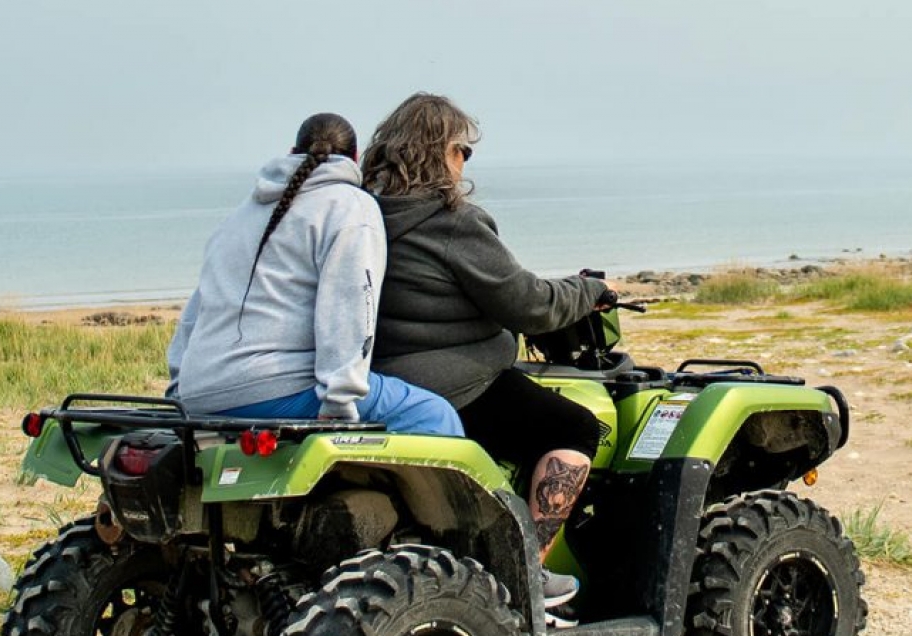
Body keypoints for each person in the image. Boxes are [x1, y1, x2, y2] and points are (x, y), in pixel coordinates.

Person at [364, 93, 613, 577]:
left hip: (382, 383)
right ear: (440, 151)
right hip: (458, 387)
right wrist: (589, 290)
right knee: (575, 427)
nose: (465, 161)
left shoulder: (365, 214)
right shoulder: (454, 221)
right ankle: (528, 571)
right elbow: (530, 303)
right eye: (464, 150)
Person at [167, 112, 461, 435]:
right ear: (355, 157)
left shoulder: (239, 216)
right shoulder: (352, 208)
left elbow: (198, 311)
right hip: (277, 390)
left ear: (293, 152)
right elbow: (348, 308)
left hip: (198, 396)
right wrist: (340, 402)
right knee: (433, 415)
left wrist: (180, 388)